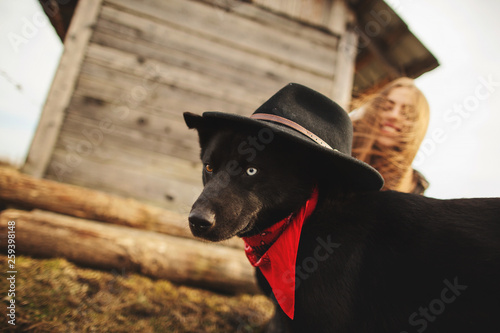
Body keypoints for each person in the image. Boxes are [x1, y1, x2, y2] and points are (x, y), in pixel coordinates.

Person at [349, 77, 430, 194]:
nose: (394, 115)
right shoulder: (338, 146)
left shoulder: (414, 187)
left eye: (406, 113)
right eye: (387, 107)